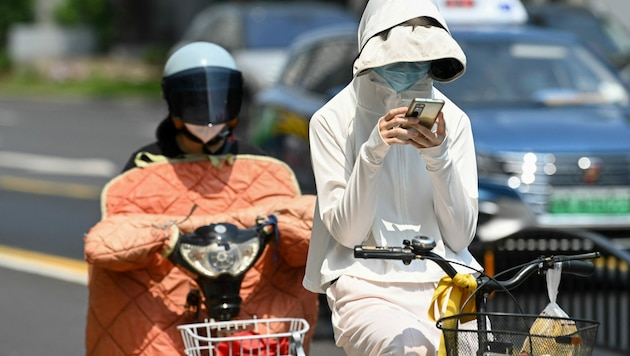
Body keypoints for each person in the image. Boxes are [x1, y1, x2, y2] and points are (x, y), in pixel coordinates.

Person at [84, 42, 318, 355]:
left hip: (249, 326)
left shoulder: (263, 166)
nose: (208, 111)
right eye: (194, 100)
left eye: (219, 97)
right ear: (174, 103)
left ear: (234, 100)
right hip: (171, 318)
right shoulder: (143, 167)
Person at [302, 0, 482, 355]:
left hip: (445, 281)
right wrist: (372, 152)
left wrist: (437, 155)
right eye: (398, 60)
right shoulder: (332, 120)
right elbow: (348, 232)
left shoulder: (455, 122)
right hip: (364, 285)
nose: (410, 70)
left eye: (420, 60)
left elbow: (460, 233)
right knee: (405, 349)